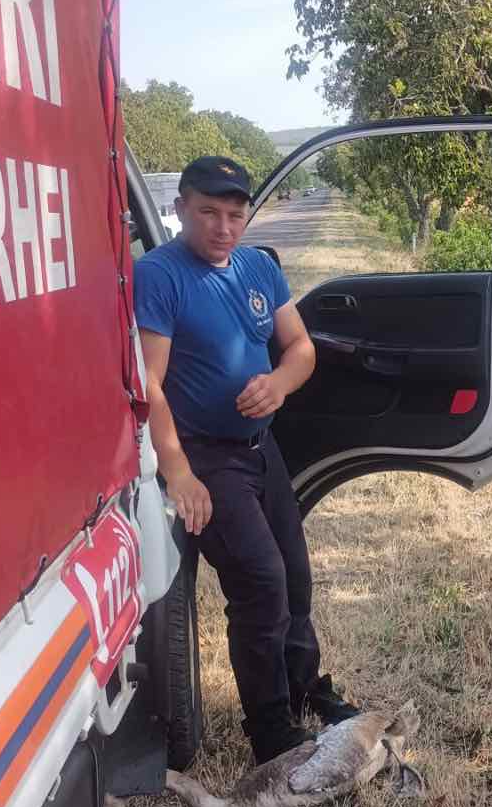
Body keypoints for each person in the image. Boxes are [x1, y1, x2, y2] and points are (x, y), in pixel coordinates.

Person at [134, 155, 357, 768]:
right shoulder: (158, 275)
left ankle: (306, 688)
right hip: (209, 459)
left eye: (235, 214)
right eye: (209, 212)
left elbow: (301, 347)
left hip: (263, 450)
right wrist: (178, 470)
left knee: (295, 577)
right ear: (180, 208)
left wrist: (281, 383)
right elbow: (147, 384)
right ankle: (272, 735)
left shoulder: (259, 268)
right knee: (260, 585)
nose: (224, 227)